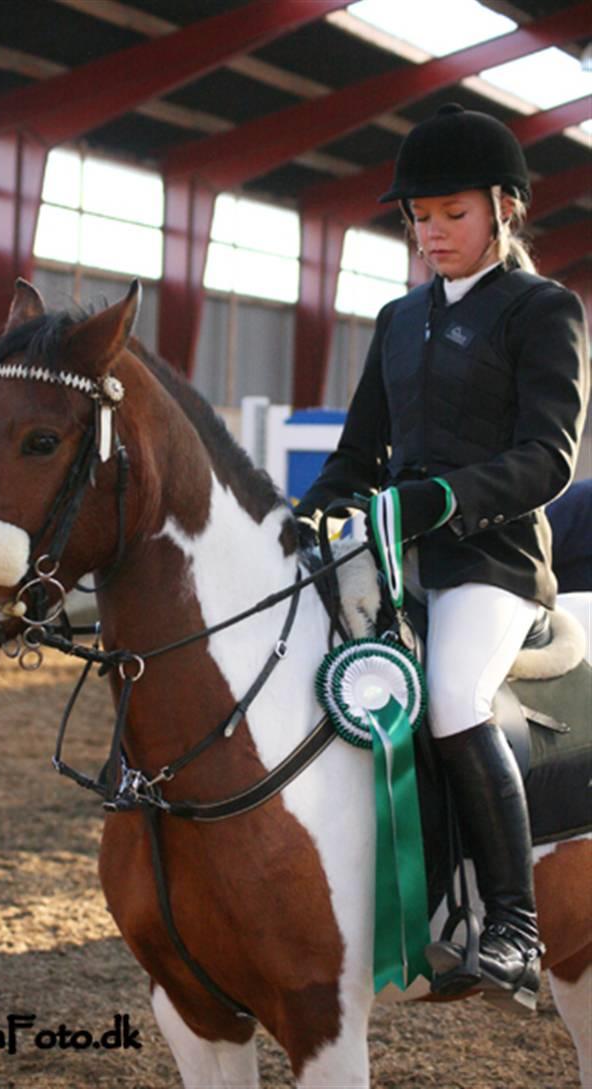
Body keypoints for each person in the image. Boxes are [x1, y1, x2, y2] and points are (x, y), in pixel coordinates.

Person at [294, 103, 590, 1010]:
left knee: (454, 696)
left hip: (494, 562)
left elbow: (550, 455)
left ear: (504, 207)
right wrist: (307, 512)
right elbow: (355, 456)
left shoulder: (543, 309)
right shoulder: (396, 319)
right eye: (418, 216)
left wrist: (444, 498)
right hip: (394, 553)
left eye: (450, 213)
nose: (430, 233)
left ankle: (512, 923)